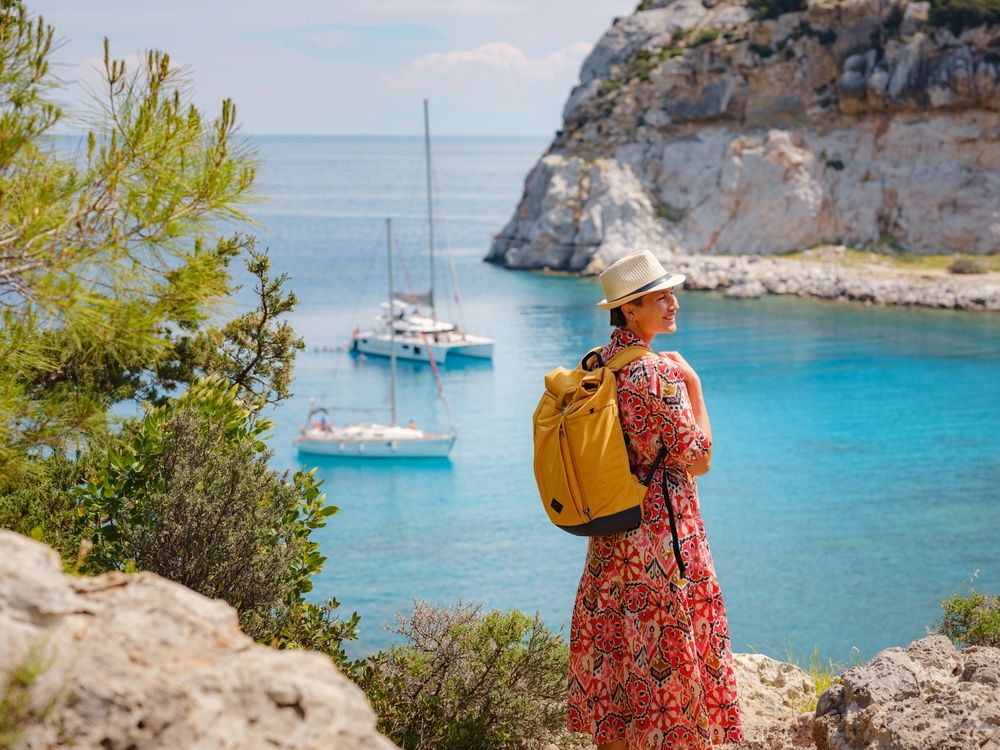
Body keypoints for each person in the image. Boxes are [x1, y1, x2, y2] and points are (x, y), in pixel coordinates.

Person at [566, 250, 745, 750]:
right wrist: (696, 386)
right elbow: (700, 458)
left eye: (672, 294)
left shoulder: (598, 364)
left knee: (620, 653)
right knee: (666, 660)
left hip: (612, 532)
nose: (674, 305)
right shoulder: (657, 375)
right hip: (664, 539)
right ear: (629, 309)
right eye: (660, 298)